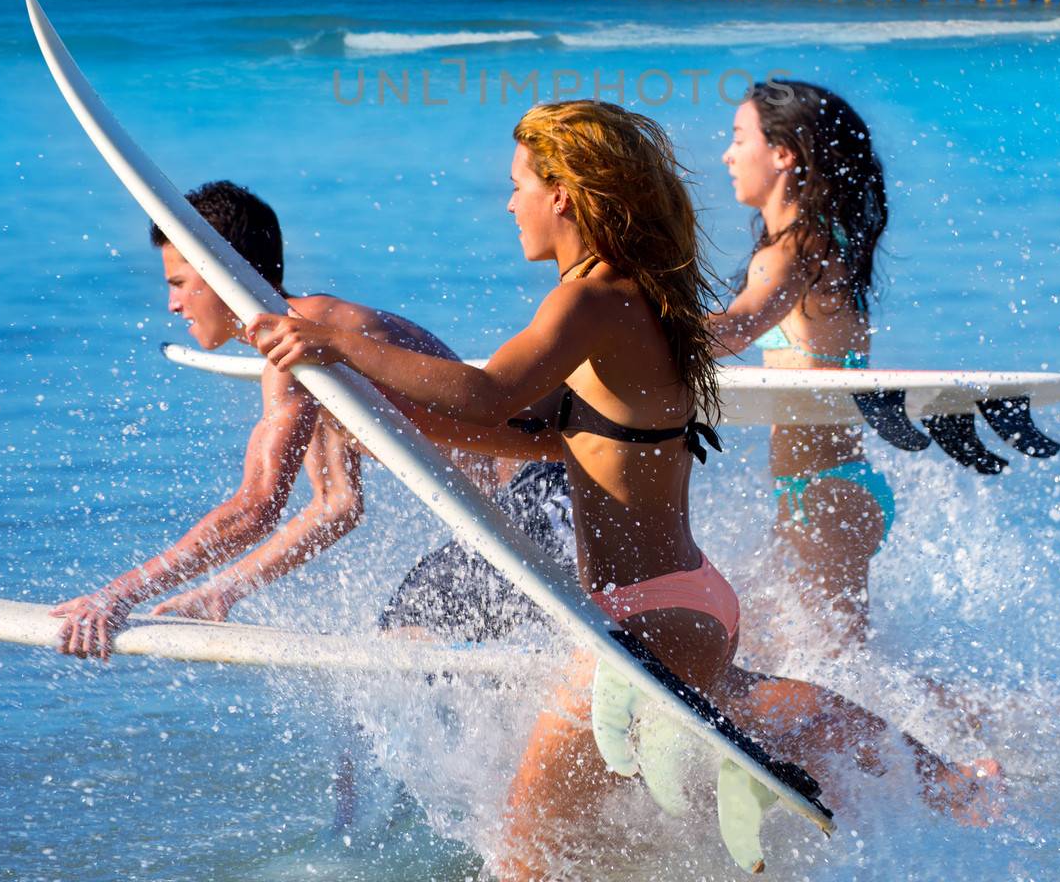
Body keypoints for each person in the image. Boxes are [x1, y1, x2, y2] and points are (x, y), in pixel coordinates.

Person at [249, 104, 994, 878]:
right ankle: (938, 780)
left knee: (525, 857)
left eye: (518, 187)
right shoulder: (632, 298)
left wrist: (334, 339)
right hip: (684, 600)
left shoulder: (592, 299)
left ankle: (939, 779)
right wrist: (383, 409)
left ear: (563, 195)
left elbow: (484, 393)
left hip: (642, 619)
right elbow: (530, 436)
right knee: (620, 829)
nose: (509, 206)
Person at [51, 180, 573, 661]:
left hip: (546, 497)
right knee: (405, 646)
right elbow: (336, 508)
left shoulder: (305, 340)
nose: (172, 304)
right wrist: (219, 593)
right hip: (522, 512)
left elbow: (255, 507)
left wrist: (115, 596)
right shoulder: (311, 343)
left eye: (181, 283)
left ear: (221, 271)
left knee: (405, 644)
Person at [707, 81, 892, 645]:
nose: (727, 155)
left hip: (824, 493)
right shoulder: (823, 242)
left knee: (841, 669)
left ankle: (996, 724)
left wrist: (620, 324)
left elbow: (733, 330)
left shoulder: (794, 249)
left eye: (740, 139)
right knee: (806, 654)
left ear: (784, 153)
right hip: (825, 488)